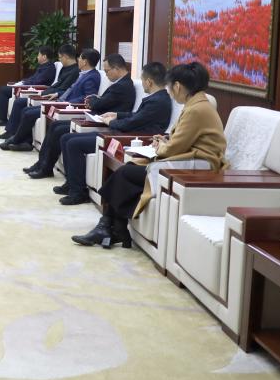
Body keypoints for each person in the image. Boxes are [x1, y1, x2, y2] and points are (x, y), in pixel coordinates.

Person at [72, 62, 226, 248]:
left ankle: (111, 227)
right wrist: (165, 139)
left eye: (170, 87)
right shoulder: (197, 104)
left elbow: (174, 148)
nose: (170, 92)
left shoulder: (196, 109)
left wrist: (161, 146)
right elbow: (183, 139)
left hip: (198, 164)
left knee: (125, 173)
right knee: (128, 170)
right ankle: (112, 227)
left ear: (177, 86)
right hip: (190, 158)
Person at [55, 62, 172, 205]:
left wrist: (110, 122)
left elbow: (132, 123)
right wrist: (116, 114)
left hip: (130, 137)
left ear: (149, 81)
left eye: (142, 80)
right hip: (124, 133)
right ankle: (71, 183)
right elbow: (137, 116)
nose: (142, 84)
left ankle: (78, 192)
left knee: (73, 143)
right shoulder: (157, 98)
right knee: (66, 138)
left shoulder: (158, 101)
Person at [24, 53, 135, 178]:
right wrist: (95, 100)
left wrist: (94, 99)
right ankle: (42, 164)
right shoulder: (120, 83)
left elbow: (97, 103)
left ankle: (46, 167)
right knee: (56, 125)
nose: (106, 74)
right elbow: (99, 101)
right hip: (96, 118)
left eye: (107, 71)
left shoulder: (122, 86)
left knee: (60, 130)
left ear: (117, 69)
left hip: (103, 124)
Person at [1, 48, 102, 152]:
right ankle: (25, 142)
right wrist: (58, 94)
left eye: (80, 58)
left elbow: (88, 97)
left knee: (29, 113)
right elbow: (70, 90)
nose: (78, 60)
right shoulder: (84, 74)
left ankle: (16, 140)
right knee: (26, 110)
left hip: (68, 106)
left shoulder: (92, 77)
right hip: (60, 101)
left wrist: (67, 103)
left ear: (85, 62)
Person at [0, 44, 79, 140]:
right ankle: (13, 133)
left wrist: (48, 92)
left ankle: (17, 138)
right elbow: (57, 84)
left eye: (60, 57)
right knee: (21, 105)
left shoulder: (75, 72)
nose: (59, 60)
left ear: (66, 56)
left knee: (21, 105)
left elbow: (63, 89)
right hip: (49, 94)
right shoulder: (65, 68)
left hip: (55, 99)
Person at [0, 46, 58, 126]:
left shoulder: (49, 68)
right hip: (28, 86)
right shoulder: (44, 66)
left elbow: (38, 82)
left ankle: (2, 118)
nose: (37, 57)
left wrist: (24, 84)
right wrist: (22, 82)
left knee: (4, 90)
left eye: (38, 55)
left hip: (33, 89)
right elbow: (33, 78)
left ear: (44, 57)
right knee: (3, 89)